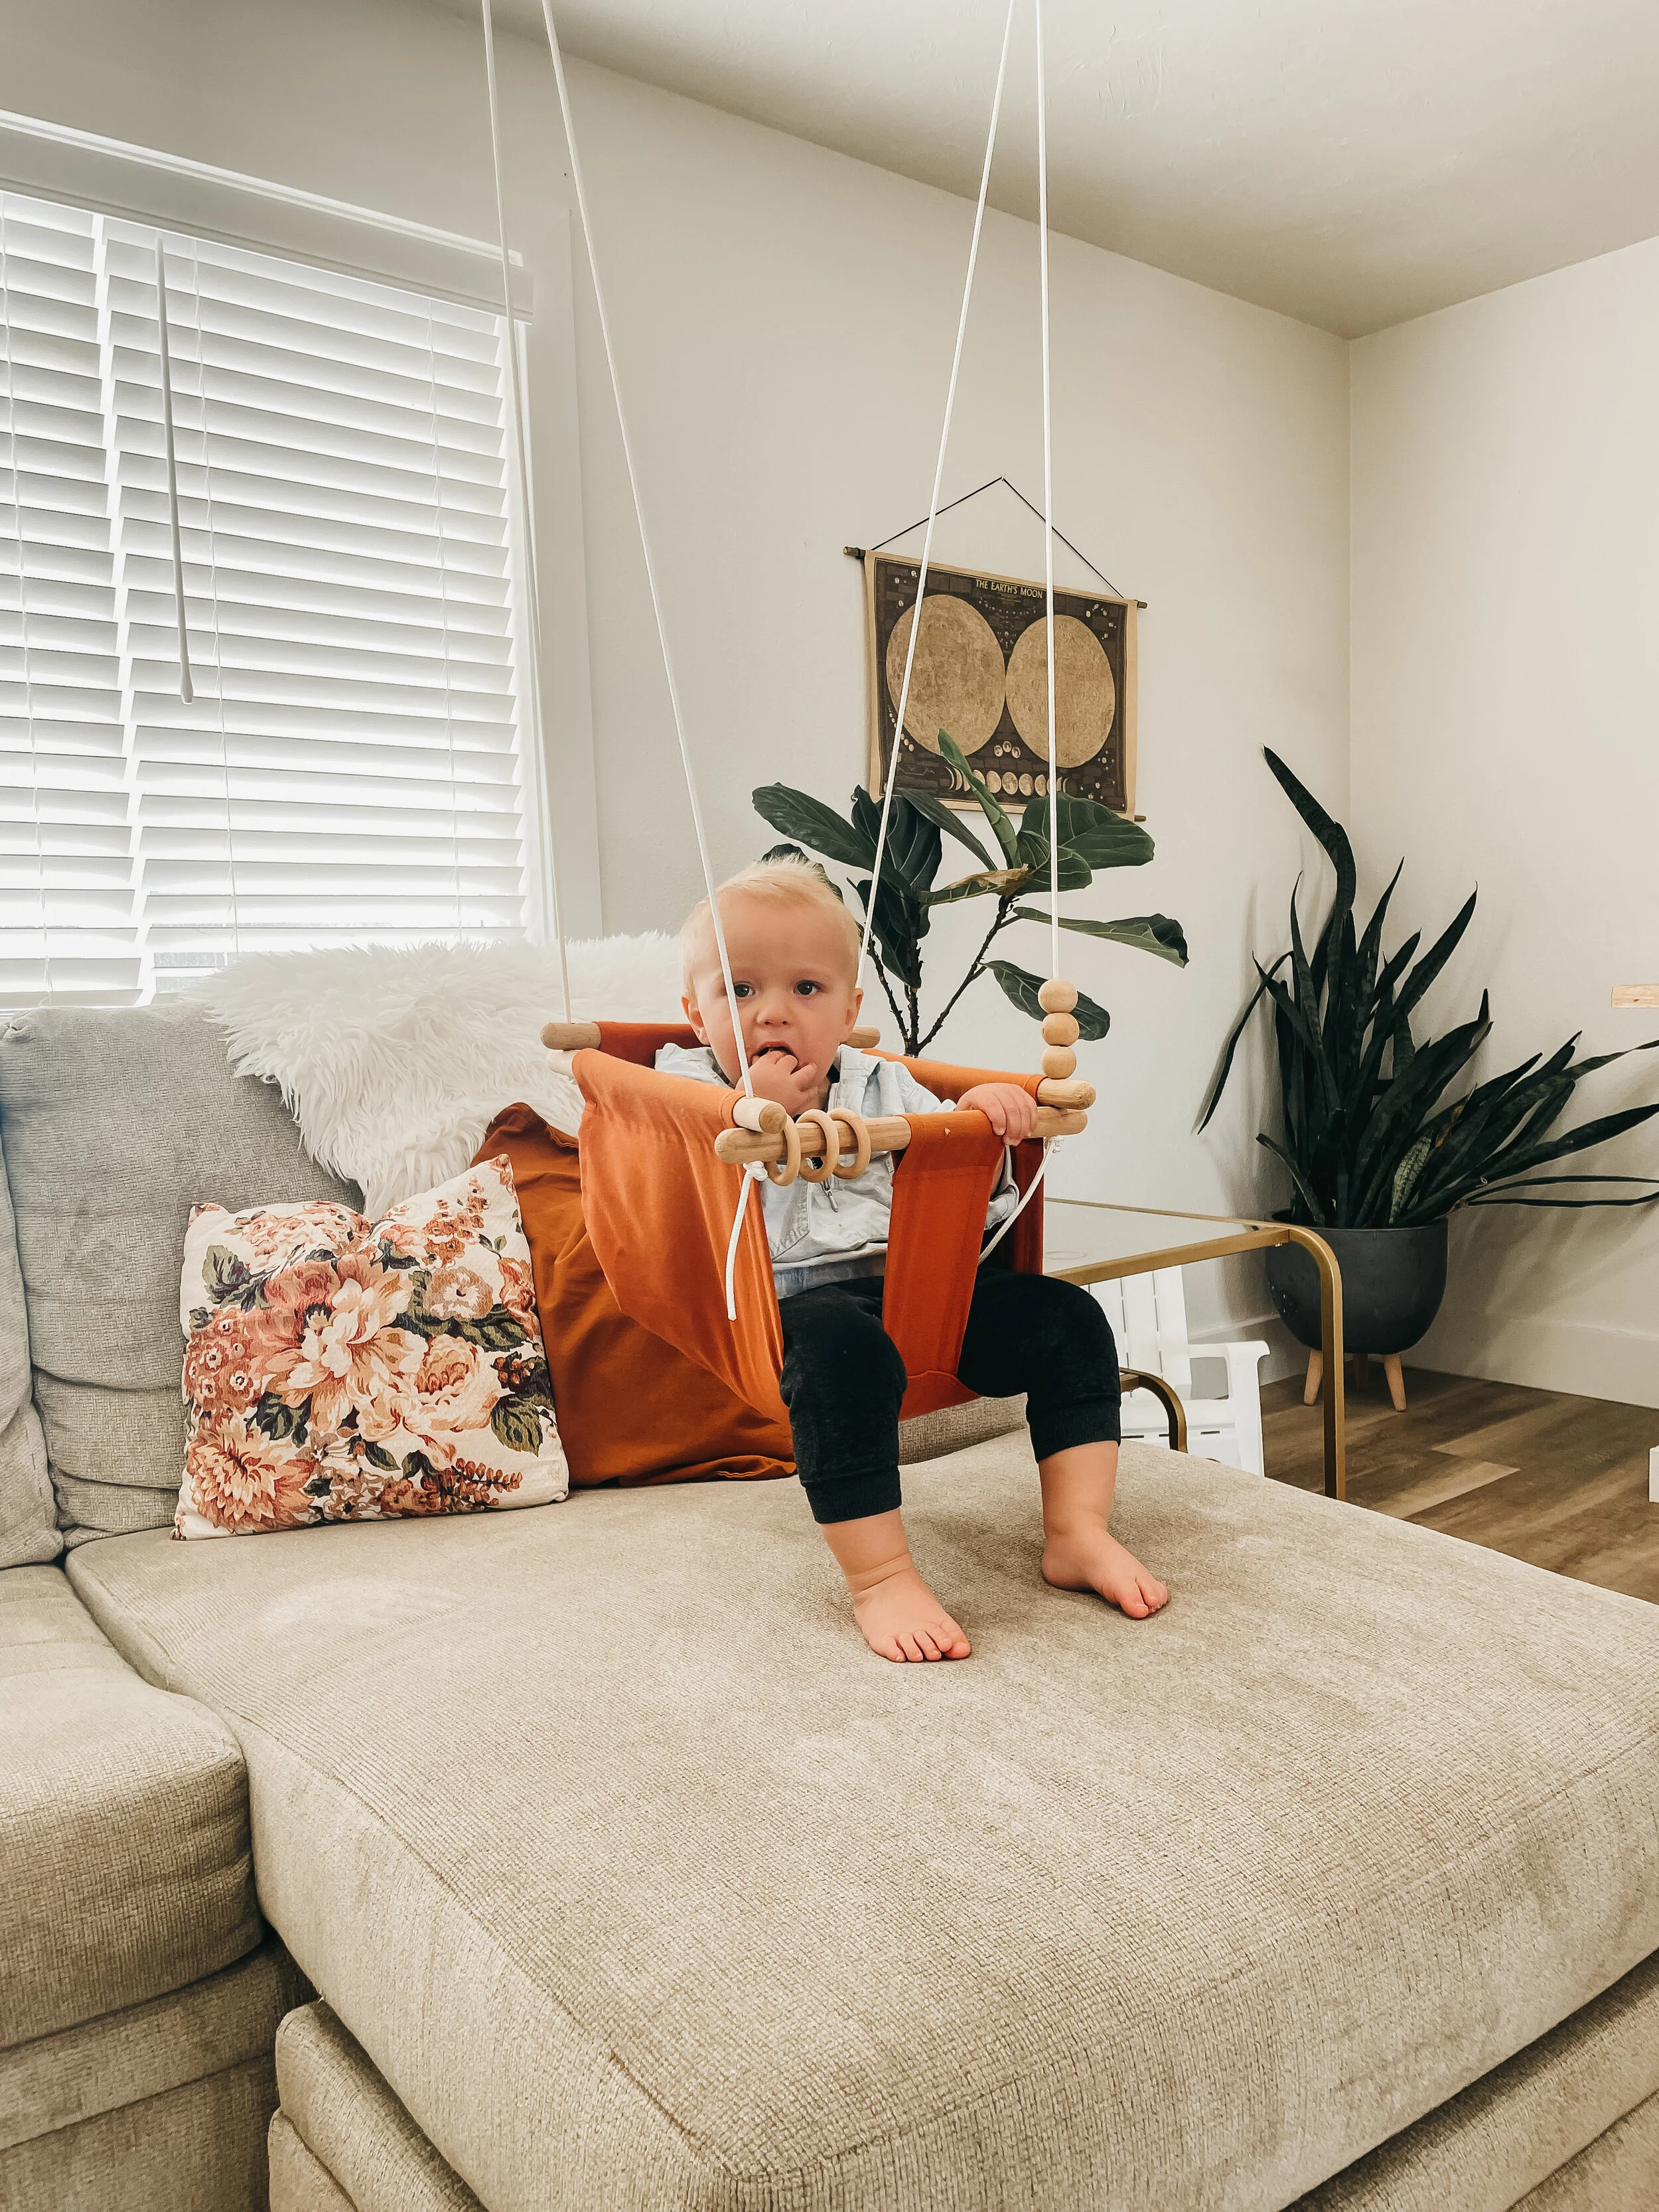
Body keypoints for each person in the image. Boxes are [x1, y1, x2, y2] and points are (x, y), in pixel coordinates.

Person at [660, 855, 1169, 1663]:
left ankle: (1076, 1532)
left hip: (922, 1296)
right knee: (842, 1357)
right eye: (740, 990)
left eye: (806, 990)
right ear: (696, 1012)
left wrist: (982, 1117)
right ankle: (882, 1578)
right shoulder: (683, 1087)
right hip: (782, 1306)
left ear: (851, 1007)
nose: (772, 1016)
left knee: (1067, 1319)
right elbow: (682, 1199)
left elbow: (968, 1188)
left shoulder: (880, 1083)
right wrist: (751, 1112)